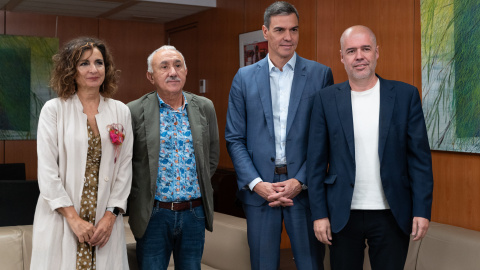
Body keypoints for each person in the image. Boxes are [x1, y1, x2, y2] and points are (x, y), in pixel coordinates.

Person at [307, 25, 434, 270]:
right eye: (351, 51)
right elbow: (315, 163)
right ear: (342, 57)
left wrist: (422, 210)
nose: (359, 56)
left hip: (392, 214)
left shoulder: (405, 96)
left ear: (377, 52)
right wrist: (319, 214)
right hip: (341, 215)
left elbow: (419, 160)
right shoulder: (325, 99)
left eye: (366, 49)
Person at [225, 2, 334, 269]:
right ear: (265, 31)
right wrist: (256, 183)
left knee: (311, 264)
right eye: (280, 30)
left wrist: (301, 180)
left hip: (304, 191)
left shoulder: (320, 75)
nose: (288, 37)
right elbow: (234, 138)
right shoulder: (244, 77)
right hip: (260, 192)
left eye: (294, 29)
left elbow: (328, 139)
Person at [31, 37, 133, 270]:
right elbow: (47, 172)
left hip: (104, 222)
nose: (93, 69)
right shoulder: (54, 110)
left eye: (99, 62)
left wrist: (110, 218)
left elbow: (124, 169)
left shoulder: (121, 111)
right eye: (84, 63)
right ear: (70, 70)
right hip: (63, 217)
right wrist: (74, 220)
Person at [127, 45, 219, 270]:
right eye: (164, 66)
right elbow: (126, 163)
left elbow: (212, 156)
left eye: (178, 65)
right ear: (151, 76)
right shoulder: (134, 111)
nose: (172, 72)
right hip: (154, 214)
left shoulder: (204, 107)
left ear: (186, 71)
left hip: (194, 213)